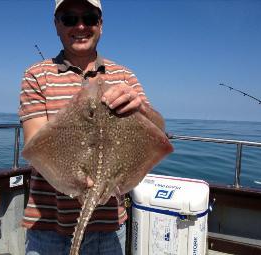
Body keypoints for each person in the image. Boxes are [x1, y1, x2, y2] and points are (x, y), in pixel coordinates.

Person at [18, 0, 165, 254]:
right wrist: (77, 178)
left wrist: (138, 106)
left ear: (101, 24)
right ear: (56, 25)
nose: (81, 25)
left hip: (107, 229)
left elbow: (159, 133)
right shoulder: (36, 75)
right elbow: (35, 146)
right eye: (70, 19)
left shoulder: (124, 77)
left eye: (89, 17)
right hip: (48, 229)